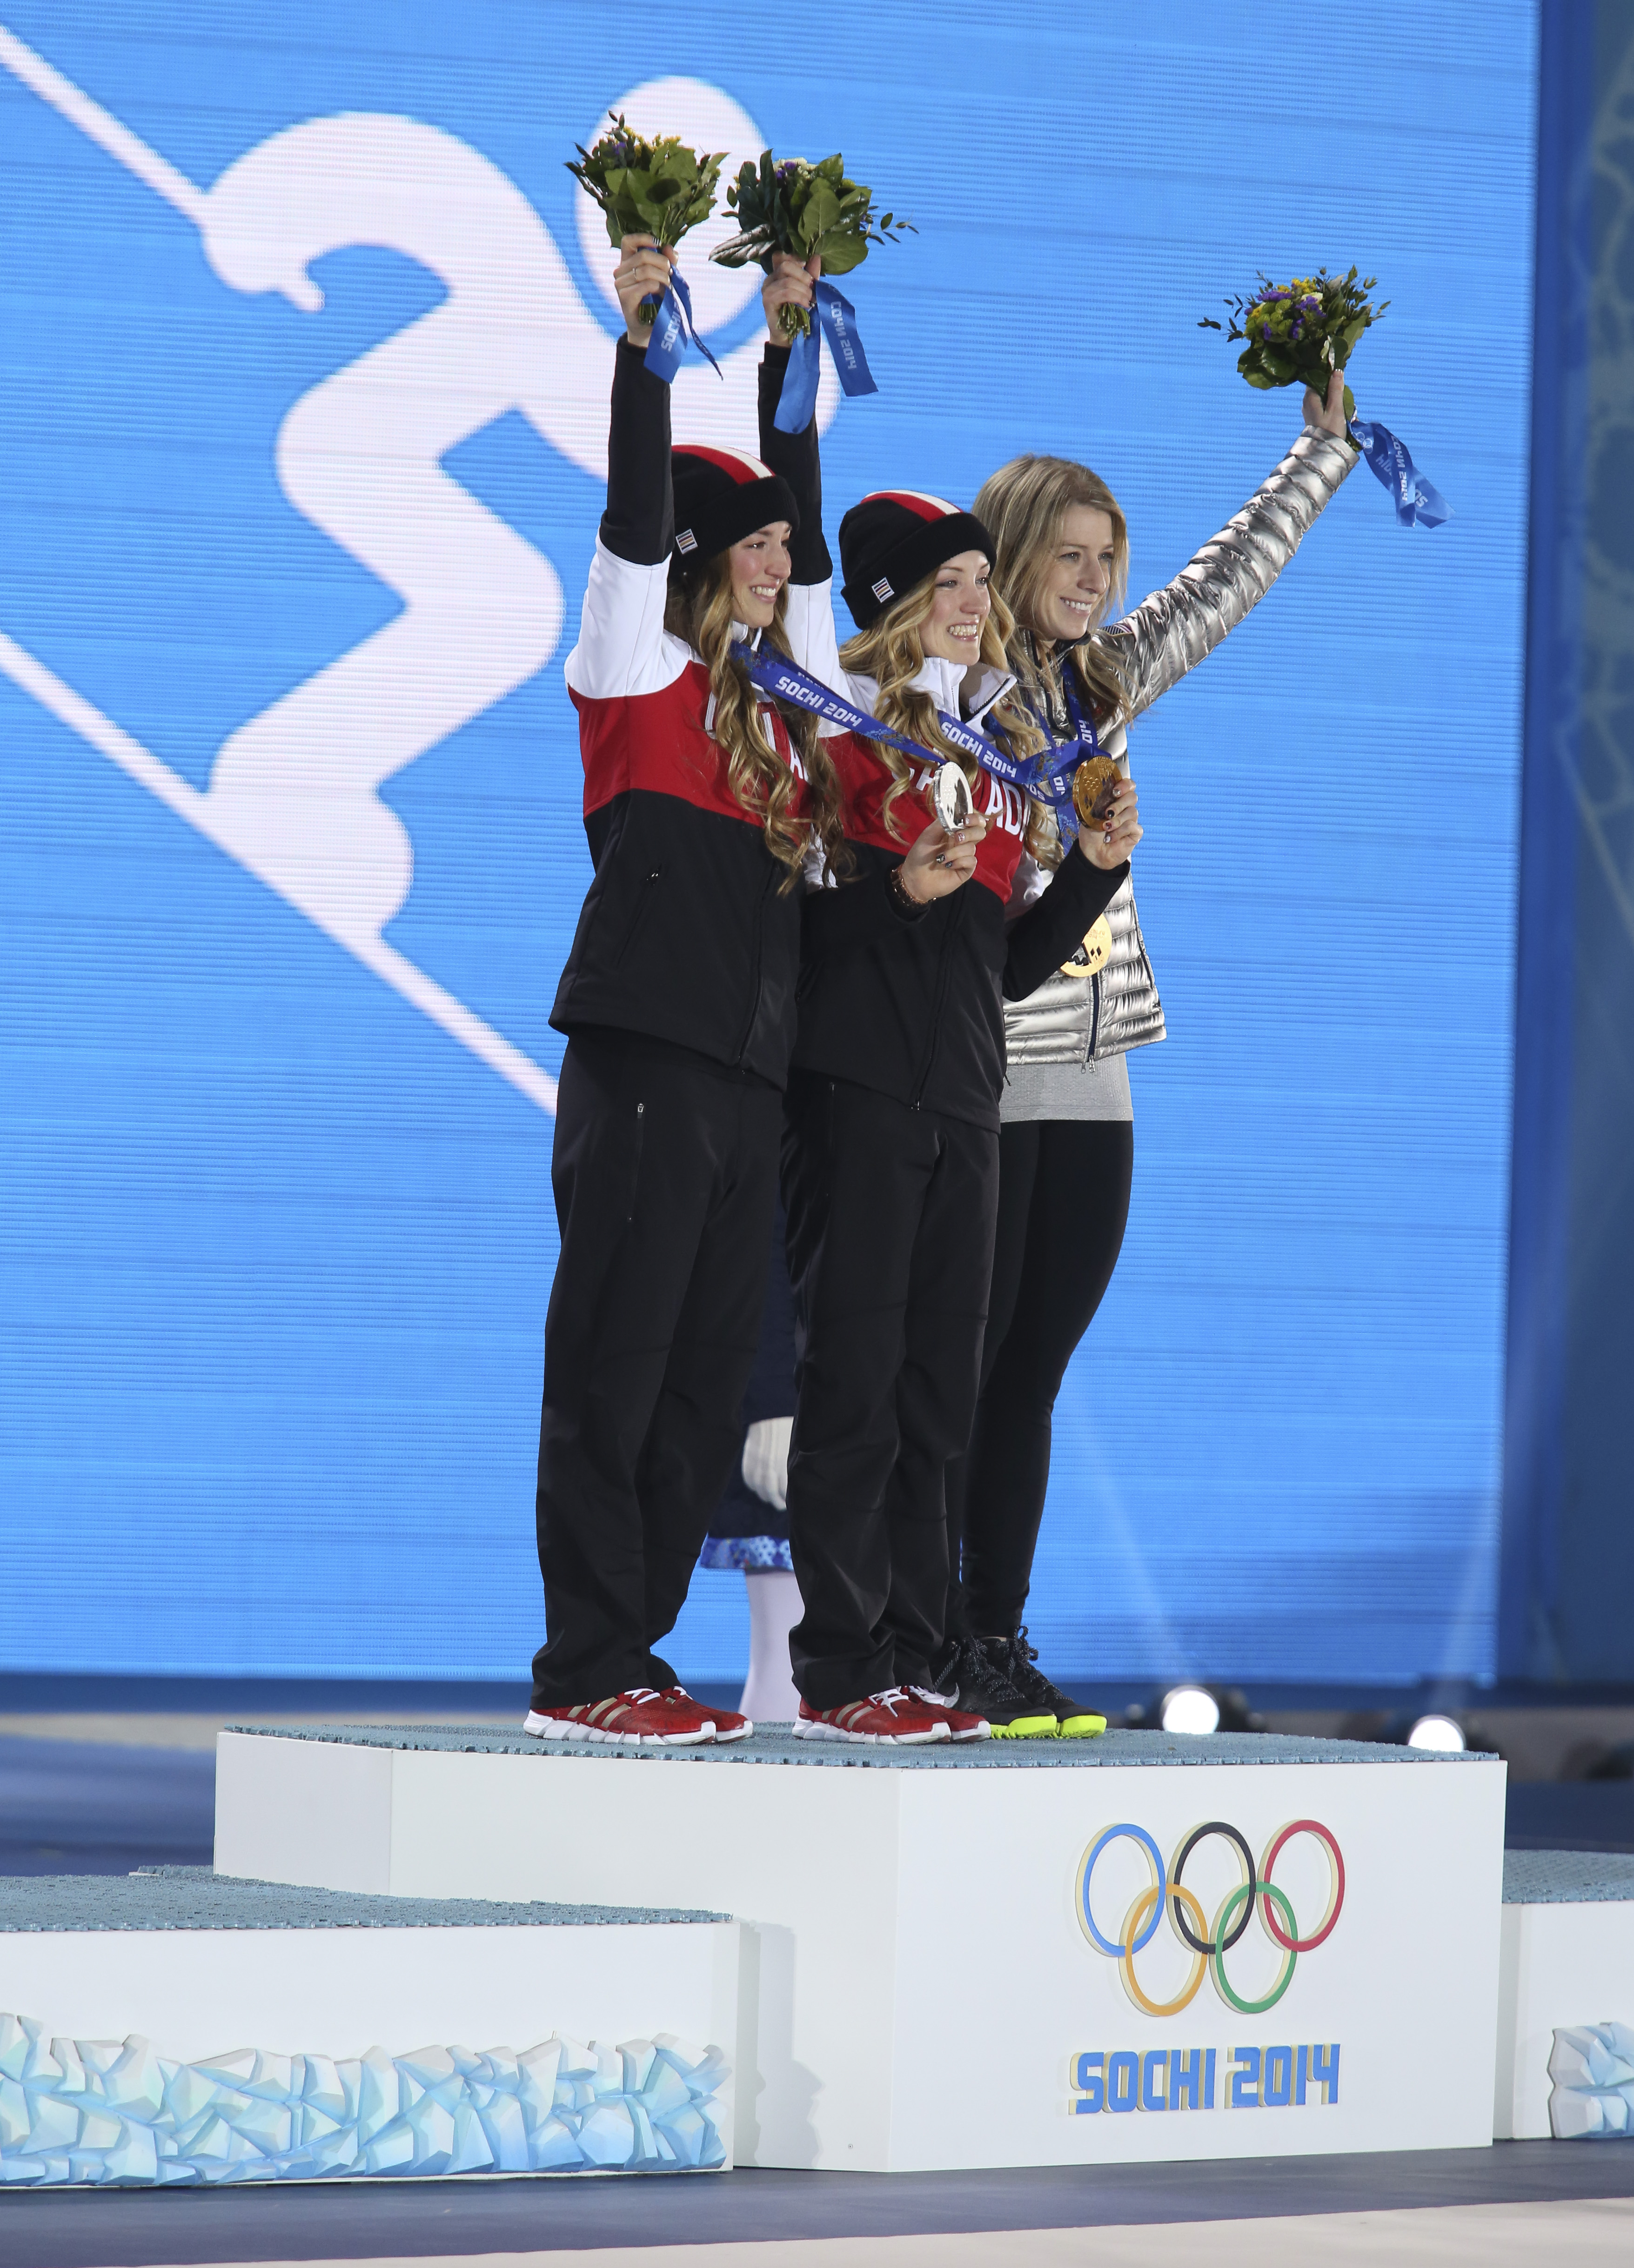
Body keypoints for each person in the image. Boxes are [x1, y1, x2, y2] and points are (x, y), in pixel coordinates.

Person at [932, 370, 1358, 1734]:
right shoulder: (953, 696)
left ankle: (992, 1635)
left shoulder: (1105, 681)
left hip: (1100, 1076)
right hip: (983, 1069)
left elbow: (1226, 581)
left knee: (1035, 1368)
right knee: (967, 1364)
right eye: (1067, 554)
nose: (1094, 577)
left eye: (1105, 557)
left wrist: (1321, 450)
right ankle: (919, 1633)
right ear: (1009, 558)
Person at [758, 377, 1142, 1741]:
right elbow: (799, 920)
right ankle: (845, 1664)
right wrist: (895, 893)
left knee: (938, 1396)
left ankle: (922, 1656)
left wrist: (1092, 876)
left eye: (985, 577)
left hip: (961, 1110)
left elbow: (1004, 967)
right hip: (855, 1102)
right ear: (891, 596)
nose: (980, 598)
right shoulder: (835, 733)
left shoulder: (987, 755)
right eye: (954, 578)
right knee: (857, 1394)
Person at [524, 236, 848, 1747]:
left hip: (748, 1086)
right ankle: (583, 1660)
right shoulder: (630, 669)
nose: (787, 563)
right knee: (618, 1361)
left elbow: (822, 568)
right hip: (644, 1061)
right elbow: (634, 518)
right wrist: (645, 334)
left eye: (787, 547)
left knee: (706, 1380)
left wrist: (788, 356)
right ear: (709, 554)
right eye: (764, 544)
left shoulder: (789, 723)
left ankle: (635, 1657)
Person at [696, 1198, 803, 1723]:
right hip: (791, 1405)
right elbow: (759, 1239)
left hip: (860, 1404)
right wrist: (771, 1402)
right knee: (786, 1660)